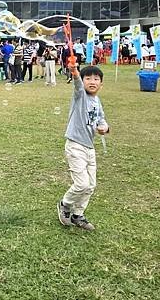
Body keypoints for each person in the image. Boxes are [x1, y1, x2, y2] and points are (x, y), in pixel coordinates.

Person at [57, 64, 109, 231]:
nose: (92, 82)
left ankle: (78, 214)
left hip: (90, 148)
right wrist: (74, 72)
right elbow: (77, 84)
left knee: (91, 185)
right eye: (88, 78)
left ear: (101, 84)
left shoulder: (97, 101)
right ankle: (65, 205)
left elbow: (101, 119)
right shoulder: (80, 96)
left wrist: (104, 128)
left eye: (96, 79)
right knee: (81, 184)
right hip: (75, 145)